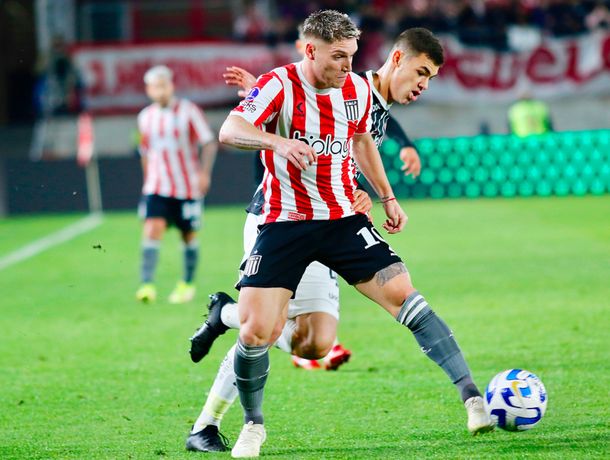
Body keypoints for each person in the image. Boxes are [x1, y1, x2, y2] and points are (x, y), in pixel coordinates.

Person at [217, 13, 494, 456]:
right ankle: (253, 425)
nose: (348, 66)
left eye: (352, 56)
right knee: (256, 332)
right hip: (284, 223)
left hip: (343, 221)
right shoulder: (277, 84)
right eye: (339, 57)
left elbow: (363, 140)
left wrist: (387, 196)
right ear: (311, 50)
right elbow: (230, 129)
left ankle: (472, 398)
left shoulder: (358, 90)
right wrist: (279, 142)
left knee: (404, 295)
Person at [135, 65, 218, 304]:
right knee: (152, 229)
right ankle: (147, 285)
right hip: (157, 186)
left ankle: (187, 284)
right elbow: (144, 151)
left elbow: (209, 142)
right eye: (155, 87)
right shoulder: (145, 117)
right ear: (148, 90)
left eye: (163, 85)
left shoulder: (188, 111)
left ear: (171, 86)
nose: (160, 91)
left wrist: (204, 174)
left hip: (187, 187)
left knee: (188, 235)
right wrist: (147, 179)